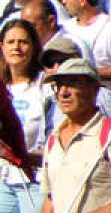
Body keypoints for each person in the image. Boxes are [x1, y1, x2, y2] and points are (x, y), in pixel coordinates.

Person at [40, 58, 111, 213]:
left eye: (73, 83)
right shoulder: (53, 140)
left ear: (94, 89)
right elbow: (51, 198)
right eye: (59, 85)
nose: (63, 92)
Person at [0, 20, 49, 212]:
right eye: (10, 42)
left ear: (34, 47)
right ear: (1, 46)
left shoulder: (46, 86)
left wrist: (28, 157)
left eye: (23, 42)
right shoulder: (1, 88)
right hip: (4, 178)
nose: (16, 47)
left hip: (35, 178)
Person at [18, 0, 93, 67]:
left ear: (51, 21)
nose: (26, 31)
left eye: (31, 26)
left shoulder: (75, 44)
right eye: (23, 26)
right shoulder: (30, 47)